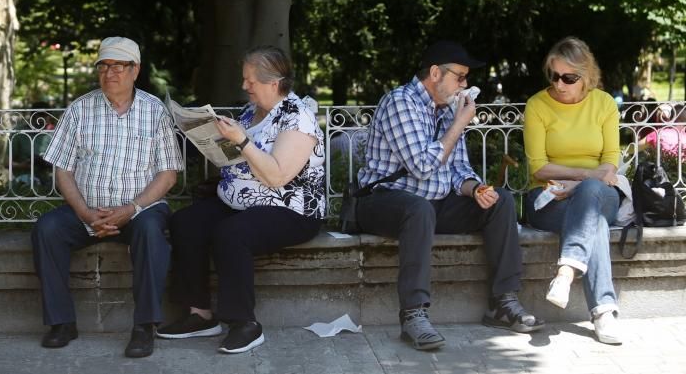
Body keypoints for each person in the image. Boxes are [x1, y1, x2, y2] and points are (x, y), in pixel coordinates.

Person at [355, 40, 543, 350]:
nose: (465, 86)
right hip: (383, 202)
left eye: (466, 78)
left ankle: (503, 302)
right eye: (460, 77)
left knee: (501, 202)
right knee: (418, 209)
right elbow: (423, 166)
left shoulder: (446, 110)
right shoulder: (401, 103)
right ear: (434, 73)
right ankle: (414, 315)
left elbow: (459, 169)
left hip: (431, 205)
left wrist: (476, 189)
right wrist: (459, 123)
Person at [157, 46, 325, 354]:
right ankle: (200, 315)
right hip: (240, 200)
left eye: (250, 80)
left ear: (273, 83)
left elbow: (276, 176)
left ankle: (244, 324)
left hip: (290, 208)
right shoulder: (250, 112)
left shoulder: (297, 118)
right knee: (186, 222)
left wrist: (242, 141)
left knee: (232, 234)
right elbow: (236, 160)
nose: (244, 86)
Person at [32, 37, 182, 358]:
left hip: (140, 208)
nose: (109, 72)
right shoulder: (79, 110)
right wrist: (86, 213)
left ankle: (144, 326)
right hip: (88, 210)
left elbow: (168, 174)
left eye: (118, 65)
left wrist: (131, 208)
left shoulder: (155, 112)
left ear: (135, 70)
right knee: (47, 229)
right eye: (104, 65)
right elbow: (63, 172)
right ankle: (62, 322)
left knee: (150, 232)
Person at [523, 36, 623, 345]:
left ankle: (566, 272)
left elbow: (609, 165)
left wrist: (581, 184)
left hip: (600, 192)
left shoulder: (604, 104)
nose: (560, 84)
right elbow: (538, 167)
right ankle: (604, 312)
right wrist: (585, 174)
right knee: (595, 223)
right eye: (554, 76)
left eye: (569, 78)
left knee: (591, 194)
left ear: (587, 77)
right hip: (548, 198)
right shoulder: (538, 105)